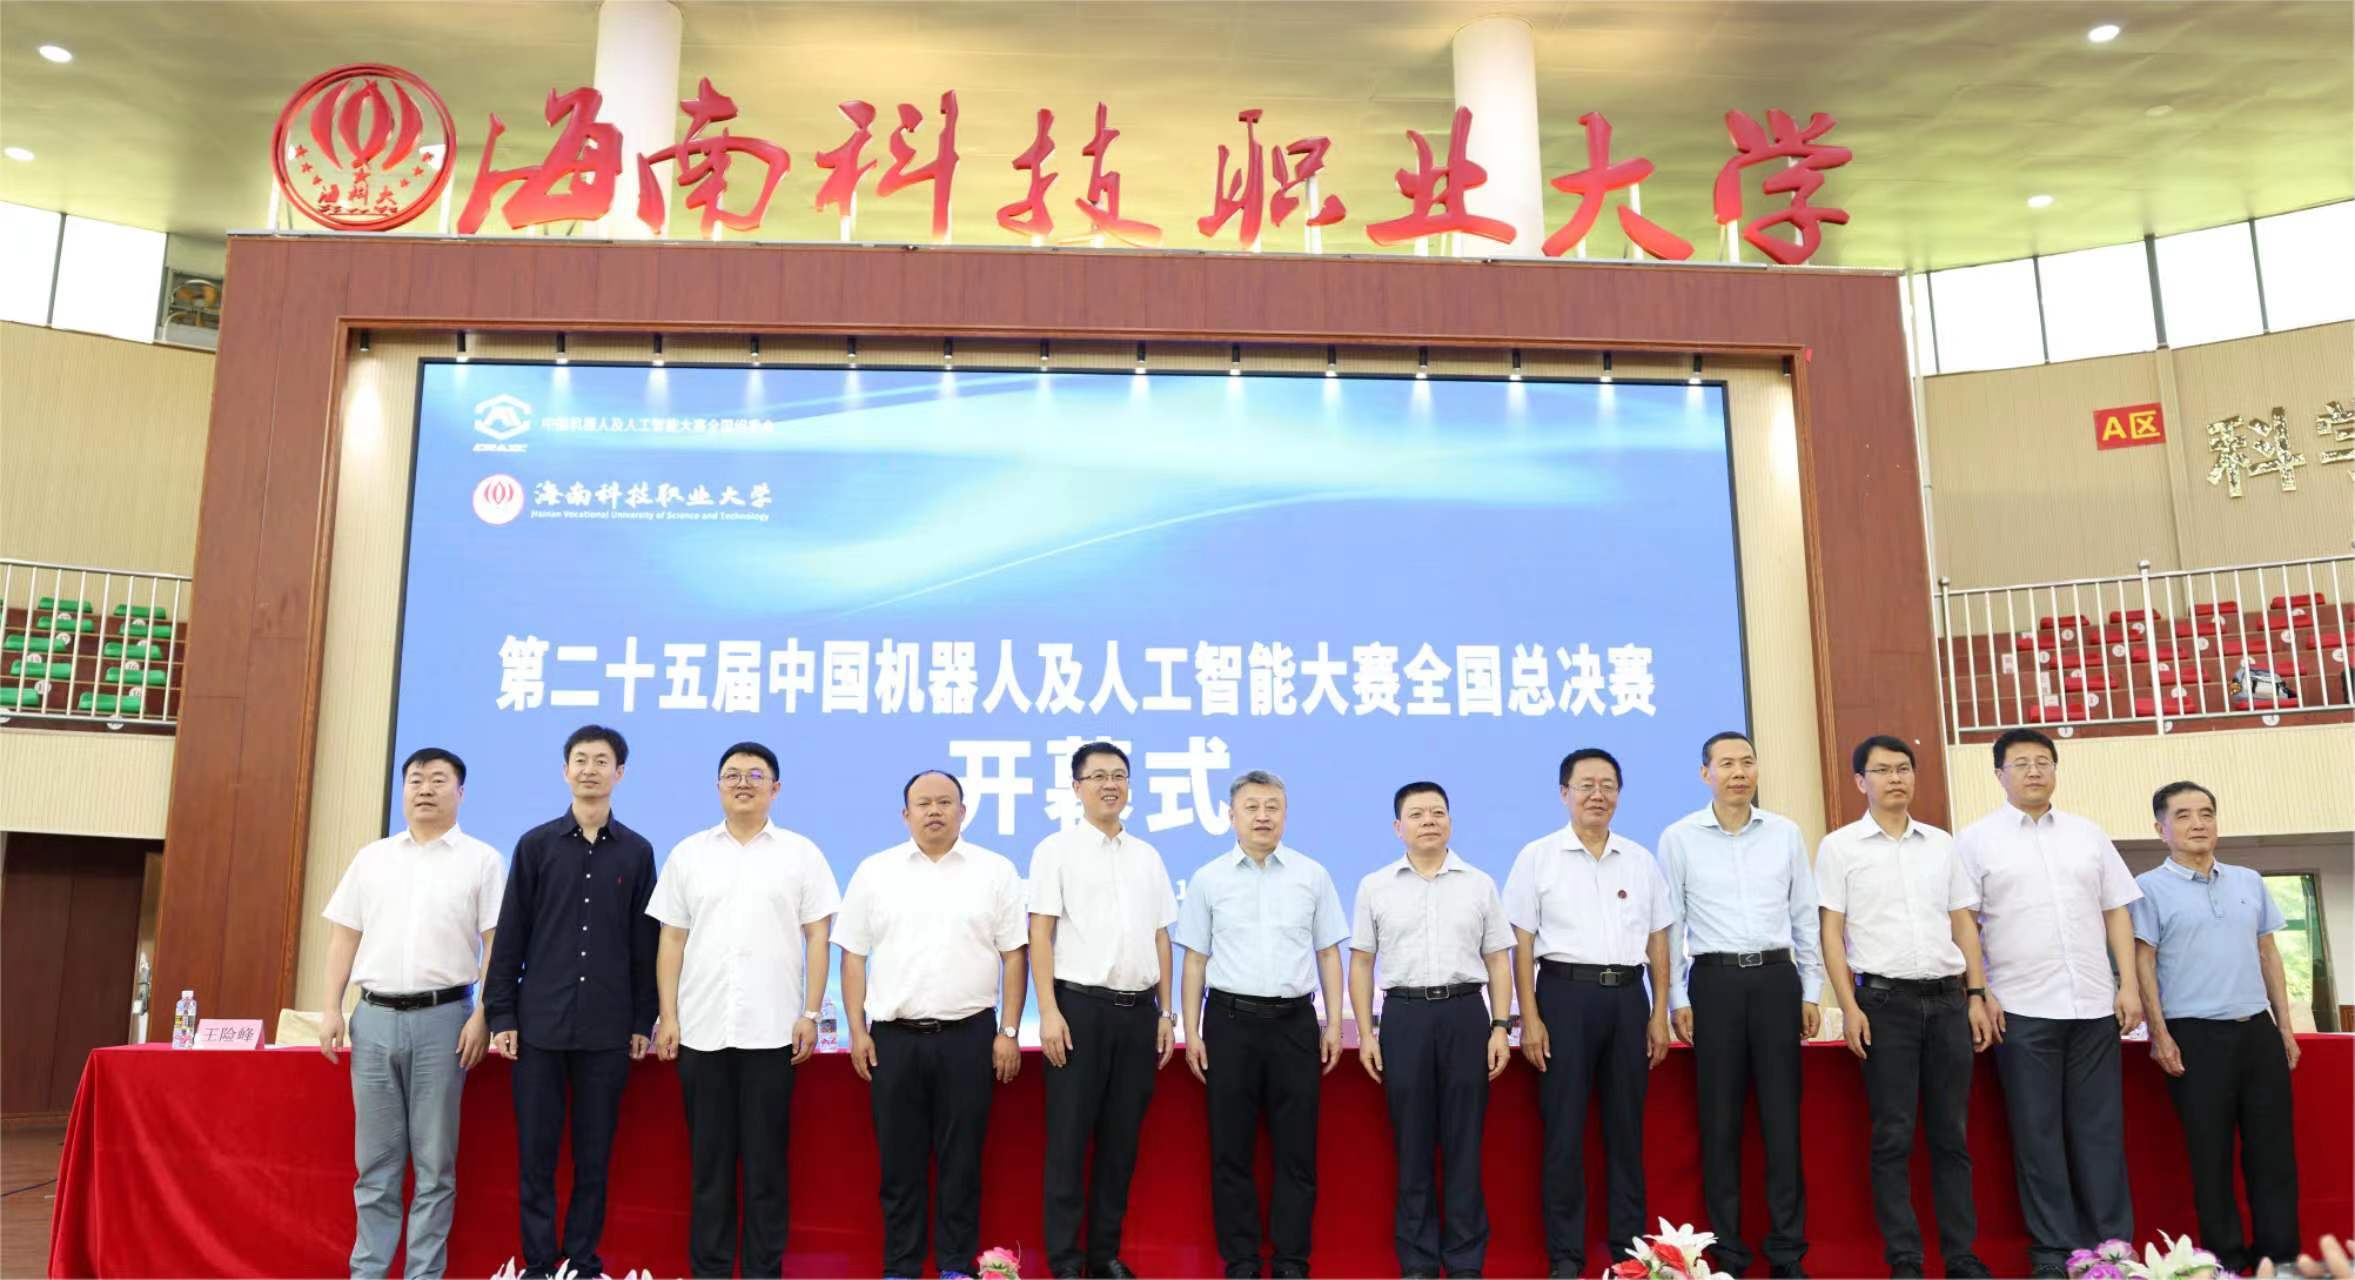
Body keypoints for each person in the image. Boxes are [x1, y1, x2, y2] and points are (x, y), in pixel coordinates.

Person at [1955, 727, 2144, 1280]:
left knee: (2099, 1131)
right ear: (1999, 775)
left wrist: (2128, 985)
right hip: (2020, 1006)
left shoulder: (2088, 835)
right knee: (2037, 1135)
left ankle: (2112, 1249)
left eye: (2043, 761)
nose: (2034, 770)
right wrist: (1979, 990)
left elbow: (2116, 911)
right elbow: (1963, 920)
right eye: (2020, 763)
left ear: (2055, 769)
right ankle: (2052, 1252)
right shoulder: (1976, 840)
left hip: (2094, 1003)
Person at [647, 742, 840, 1279]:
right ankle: (709, 1270)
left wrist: (810, 1013)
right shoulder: (689, 854)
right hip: (701, 1031)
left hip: (773, 1033)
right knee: (708, 1166)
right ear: (717, 787)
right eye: (732, 774)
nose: (743, 783)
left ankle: (762, 1270)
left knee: (766, 1167)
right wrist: (669, 1016)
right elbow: (671, 939)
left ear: (775, 788)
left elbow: (818, 937)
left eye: (756, 775)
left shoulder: (801, 854)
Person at [319, 747, 506, 1280]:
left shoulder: (482, 860)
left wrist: (484, 1014)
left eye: (438, 780)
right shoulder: (372, 858)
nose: (425, 789)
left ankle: (424, 1274)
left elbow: (496, 945)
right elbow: (344, 936)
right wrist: (331, 1008)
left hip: (445, 1020)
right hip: (373, 1017)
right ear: (403, 791)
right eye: (416, 779)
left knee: (434, 1165)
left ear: (461, 792)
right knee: (375, 1165)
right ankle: (369, 1271)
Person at [835, 769, 1028, 1280]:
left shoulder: (995, 871)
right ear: (906, 814)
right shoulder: (875, 872)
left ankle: (955, 1267)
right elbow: (852, 956)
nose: (935, 811)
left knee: (962, 1161)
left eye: (945, 802)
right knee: (899, 1163)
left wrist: (1009, 1031)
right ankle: (900, 1267)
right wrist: (857, 1030)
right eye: (924, 803)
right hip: (894, 1039)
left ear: (963, 812)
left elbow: (1014, 954)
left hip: (969, 1036)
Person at [1815, 735, 1995, 1280]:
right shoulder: (1839, 848)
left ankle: (1961, 1257)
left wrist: (1976, 994)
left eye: (1903, 768)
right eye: (1882, 770)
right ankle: (1905, 1259)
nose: (1895, 778)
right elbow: (1831, 932)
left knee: (1951, 1135)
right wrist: (1848, 1005)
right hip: (1883, 1003)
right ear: (1860, 781)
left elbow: (1963, 923)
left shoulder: (1942, 844)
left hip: (1946, 1001)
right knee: (1892, 1135)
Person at [484, 724, 659, 1280]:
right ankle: (538, 1264)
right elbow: (511, 934)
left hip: (608, 1029)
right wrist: (501, 1013)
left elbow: (645, 945)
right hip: (538, 1026)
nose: (590, 769)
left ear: (619, 773)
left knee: (594, 1154)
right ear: (565, 771)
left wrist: (643, 1018)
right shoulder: (535, 846)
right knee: (536, 1155)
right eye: (580, 759)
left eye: (601, 760)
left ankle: (582, 1262)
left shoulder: (637, 852)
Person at [1657, 730, 1823, 1279]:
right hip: (1714, 983)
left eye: (1747, 762)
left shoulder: (1784, 833)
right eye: (1726, 763)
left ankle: (1788, 1253)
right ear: (1705, 773)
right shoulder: (1679, 837)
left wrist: (1811, 989)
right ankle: (1726, 1253)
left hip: (1777, 980)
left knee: (1782, 1123)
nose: (1738, 772)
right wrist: (1677, 996)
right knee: (1720, 1123)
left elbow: (1804, 915)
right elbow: (1672, 922)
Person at [1503, 748, 1674, 1280]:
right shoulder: (1538, 857)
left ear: (1619, 794)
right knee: (1564, 1131)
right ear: (1565, 793)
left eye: (1608, 785)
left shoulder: (1640, 860)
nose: (1598, 795)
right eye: (1586, 785)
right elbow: (1520, 945)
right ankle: (1566, 1256)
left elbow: (1659, 940)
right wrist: (1529, 1017)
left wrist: (1659, 1013)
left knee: (1627, 1130)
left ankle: (1630, 1253)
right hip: (1563, 997)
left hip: (1627, 999)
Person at [1175, 770, 1349, 1280]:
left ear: (1285, 814)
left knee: (1297, 1151)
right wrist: (1192, 1031)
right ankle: (1242, 1261)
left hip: (1295, 1023)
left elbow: (1328, 953)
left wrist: (1333, 1023)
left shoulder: (1312, 875)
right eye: (1251, 807)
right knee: (1231, 1151)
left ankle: (1292, 1262)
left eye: (1272, 806)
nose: (1262, 816)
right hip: (1229, 1024)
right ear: (1231, 816)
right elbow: (1194, 961)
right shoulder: (1209, 879)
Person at [2130, 780, 2301, 1274]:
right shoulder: (2147, 888)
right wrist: (2160, 1034)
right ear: (2160, 828)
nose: (2198, 823)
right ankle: (2224, 1260)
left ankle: (2279, 1257)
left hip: (2258, 1031)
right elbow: (2144, 962)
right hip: (2194, 1036)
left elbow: (2268, 954)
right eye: (2183, 815)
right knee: (2211, 1155)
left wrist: (2284, 1028)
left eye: (2206, 813)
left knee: (2273, 1152)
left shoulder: (2248, 880)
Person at [1349, 781, 1514, 1280]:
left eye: (1437, 813)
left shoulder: (1479, 883)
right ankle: (1418, 1263)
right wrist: (1367, 1032)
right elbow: (1361, 963)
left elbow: (1498, 960)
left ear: (1450, 822)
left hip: (1466, 1014)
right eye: (1417, 814)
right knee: (1412, 1146)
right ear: (1398, 827)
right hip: (1404, 1017)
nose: (1428, 821)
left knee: (1465, 1145)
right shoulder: (1375, 886)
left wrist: (1500, 1026)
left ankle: (1465, 1261)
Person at [1028, 742, 1177, 1280]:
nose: (1110, 785)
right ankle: (1066, 1261)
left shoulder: (1147, 856)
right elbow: (1040, 933)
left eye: (1119, 775)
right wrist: (1048, 1011)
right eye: (1097, 776)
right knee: (1069, 1142)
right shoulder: (1055, 850)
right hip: (1079, 1011)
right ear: (1077, 787)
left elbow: (1161, 937)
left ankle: (1104, 1255)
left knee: (1121, 1143)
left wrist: (1166, 1012)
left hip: (1138, 1014)